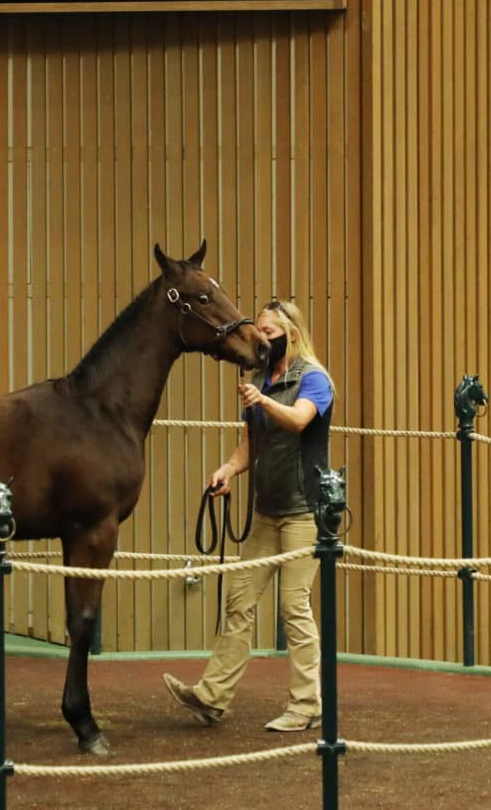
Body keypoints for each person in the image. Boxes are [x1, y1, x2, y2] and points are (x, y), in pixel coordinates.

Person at [163, 298, 334, 732]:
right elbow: (250, 444)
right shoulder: (259, 379)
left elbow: (298, 420)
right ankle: (211, 696)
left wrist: (263, 399)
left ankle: (308, 704)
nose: (262, 339)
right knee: (238, 601)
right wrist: (227, 469)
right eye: (259, 332)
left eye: (270, 332)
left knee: (294, 607)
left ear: (291, 335)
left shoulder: (314, 379)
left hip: (303, 512)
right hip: (265, 511)